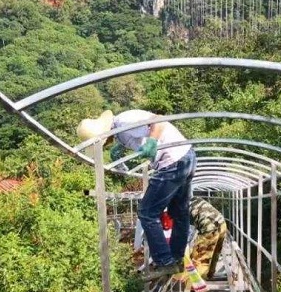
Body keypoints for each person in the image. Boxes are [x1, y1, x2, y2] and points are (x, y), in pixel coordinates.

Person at [77, 109, 195, 280]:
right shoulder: (120, 130)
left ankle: (165, 262)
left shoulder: (123, 122)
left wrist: (152, 141)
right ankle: (176, 260)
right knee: (179, 213)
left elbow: (159, 120)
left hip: (173, 162)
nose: (106, 144)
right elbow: (140, 134)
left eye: (104, 142)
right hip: (186, 156)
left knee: (147, 213)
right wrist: (121, 147)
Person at [188, 196, 226, 280]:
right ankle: (210, 274)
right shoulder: (195, 199)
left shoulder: (180, 207)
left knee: (200, 257)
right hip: (221, 223)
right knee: (215, 251)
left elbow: (187, 232)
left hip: (209, 228)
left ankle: (198, 281)